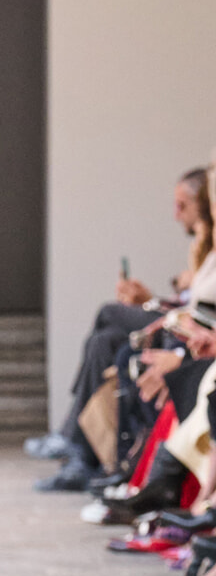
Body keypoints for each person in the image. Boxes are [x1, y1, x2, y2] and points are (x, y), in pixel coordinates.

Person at [30, 165, 213, 490]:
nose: (176, 214)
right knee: (104, 341)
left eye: (183, 204)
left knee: (109, 313)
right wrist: (151, 301)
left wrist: (152, 305)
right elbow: (190, 307)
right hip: (177, 326)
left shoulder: (207, 249)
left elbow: (197, 311)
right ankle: (84, 458)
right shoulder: (203, 247)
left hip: (185, 335)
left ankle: (71, 437)